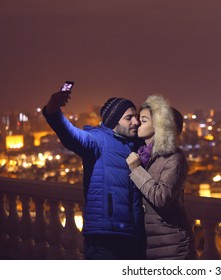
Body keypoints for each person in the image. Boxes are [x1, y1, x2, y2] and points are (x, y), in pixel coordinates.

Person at [43, 89, 145, 260]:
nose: (135, 122)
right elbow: (71, 135)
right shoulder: (98, 141)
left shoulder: (134, 145)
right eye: (129, 118)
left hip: (131, 238)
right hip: (104, 238)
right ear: (113, 121)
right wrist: (53, 111)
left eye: (136, 116)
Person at [126, 95, 197, 260]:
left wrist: (136, 170)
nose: (137, 124)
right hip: (151, 244)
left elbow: (162, 198)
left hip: (172, 245)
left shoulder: (174, 158)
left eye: (143, 120)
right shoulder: (144, 155)